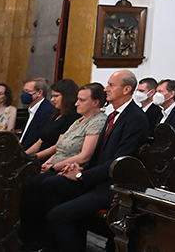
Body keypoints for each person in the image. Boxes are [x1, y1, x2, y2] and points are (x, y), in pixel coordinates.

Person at [26, 70, 150, 252]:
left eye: (111, 85)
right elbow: (99, 155)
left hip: (113, 186)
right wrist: (77, 169)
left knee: (58, 215)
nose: (106, 89)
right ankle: (49, 244)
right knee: (49, 184)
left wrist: (81, 175)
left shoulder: (135, 118)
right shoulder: (113, 115)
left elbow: (119, 162)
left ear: (127, 89)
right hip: (98, 179)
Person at [38, 83, 107, 172]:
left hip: (68, 169)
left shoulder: (98, 121)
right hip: (54, 165)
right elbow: (59, 149)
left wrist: (53, 167)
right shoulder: (79, 120)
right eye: (77, 99)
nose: (76, 104)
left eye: (81, 100)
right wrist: (45, 166)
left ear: (95, 102)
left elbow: (84, 156)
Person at [26, 79, 80, 161]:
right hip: (39, 156)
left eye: (56, 96)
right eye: (52, 96)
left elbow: (58, 146)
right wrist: (24, 155)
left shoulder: (72, 117)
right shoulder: (55, 115)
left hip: (51, 159)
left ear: (67, 96)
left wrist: (33, 157)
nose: (52, 100)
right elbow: (40, 141)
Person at [19, 78, 53, 151]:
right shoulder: (31, 109)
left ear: (40, 93)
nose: (24, 94)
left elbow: (39, 138)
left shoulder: (47, 111)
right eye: (23, 91)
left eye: (28, 91)